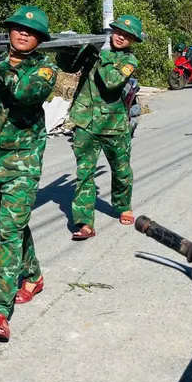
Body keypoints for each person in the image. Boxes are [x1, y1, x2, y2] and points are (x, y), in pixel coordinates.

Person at [0, 6, 58, 343]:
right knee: (11, 227)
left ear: (39, 39)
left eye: (31, 31)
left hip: (22, 162)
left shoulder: (46, 70)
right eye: (18, 28)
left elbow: (22, 94)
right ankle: (32, 275)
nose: (23, 33)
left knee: (7, 232)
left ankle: (0, 310)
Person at [57, 15, 143, 239]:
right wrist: (70, 47)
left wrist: (103, 53)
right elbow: (67, 66)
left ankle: (123, 204)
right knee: (84, 173)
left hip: (114, 125)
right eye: (117, 32)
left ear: (133, 40)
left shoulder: (129, 61)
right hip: (86, 121)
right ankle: (85, 223)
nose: (120, 37)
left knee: (121, 171)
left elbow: (111, 81)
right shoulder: (96, 51)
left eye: (127, 35)